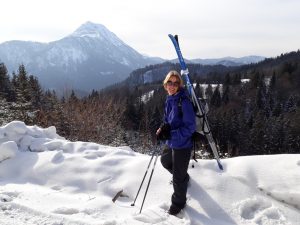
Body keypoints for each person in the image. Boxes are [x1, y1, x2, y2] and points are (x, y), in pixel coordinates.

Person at [156, 70, 196, 215]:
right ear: (165, 84)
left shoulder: (183, 101)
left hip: (183, 144)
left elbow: (191, 127)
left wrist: (171, 134)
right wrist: (162, 128)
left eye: (175, 83)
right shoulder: (170, 99)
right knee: (165, 161)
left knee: (177, 179)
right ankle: (182, 177)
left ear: (179, 85)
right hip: (172, 142)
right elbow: (167, 120)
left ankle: (178, 204)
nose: (172, 85)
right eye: (169, 82)